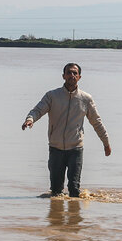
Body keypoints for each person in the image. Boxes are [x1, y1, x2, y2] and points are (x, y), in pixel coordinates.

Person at [22, 62, 111, 197]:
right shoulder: (52, 96)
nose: (72, 75)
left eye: (75, 73)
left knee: (74, 189)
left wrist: (106, 143)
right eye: (69, 72)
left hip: (75, 149)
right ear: (63, 76)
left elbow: (96, 122)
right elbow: (38, 110)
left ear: (79, 77)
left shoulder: (85, 99)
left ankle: (74, 217)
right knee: (56, 192)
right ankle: (59, 217)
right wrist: (30, 119)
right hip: (56, 148)